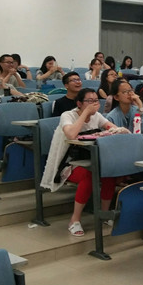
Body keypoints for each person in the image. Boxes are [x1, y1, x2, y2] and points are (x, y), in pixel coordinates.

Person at [40, 88, 127, 237]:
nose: (94, 104)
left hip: (90, 160)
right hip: (68, 163)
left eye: (96, 101)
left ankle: (104, 214)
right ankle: (74, 220)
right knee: (90, 174)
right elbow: (71, 134)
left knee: (109, 172)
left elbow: (113, 128)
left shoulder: (97, 115)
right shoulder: (67, 115)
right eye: (89, 101)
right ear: (79, 103)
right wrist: (85, 113)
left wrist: (120, 130)